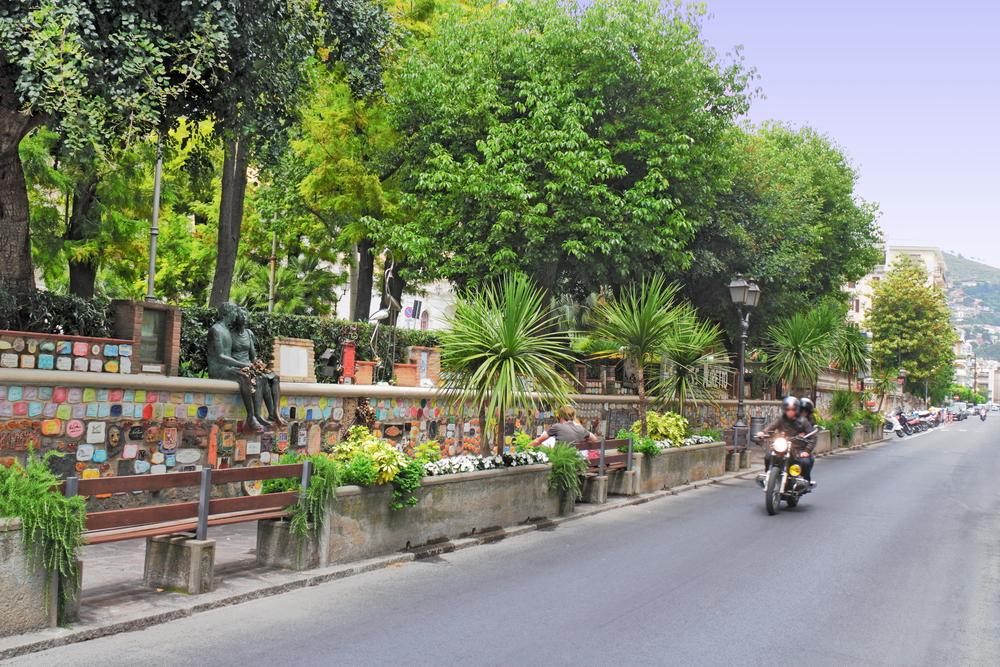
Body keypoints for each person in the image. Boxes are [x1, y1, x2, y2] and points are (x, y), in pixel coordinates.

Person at [207, 302, 285, 433]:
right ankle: (251, 416)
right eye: (234, 312)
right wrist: (245, 365)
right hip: (219, 368)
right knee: (244, 377)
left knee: (260, 377)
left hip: (229, 367)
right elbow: (220, 357)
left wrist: (254, 365)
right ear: (228, 313)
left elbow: (246, 354)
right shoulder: (216, 330)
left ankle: (264, 414)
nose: (236, 315)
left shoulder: (226, 329)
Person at [757, 396, 817, 482]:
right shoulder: (781, 419)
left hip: (797, 448)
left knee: (805, 462)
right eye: (788, 409)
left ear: (796, 410)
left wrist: (806, 451)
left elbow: (813, 436)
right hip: (783, 446)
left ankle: (805, 480)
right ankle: (769, 475)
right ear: (784, 409)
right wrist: (763, 432)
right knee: (768, 456)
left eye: (793, 409)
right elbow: (771, 427)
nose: (790, 412)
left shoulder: (803, 421)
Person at [528, 405, 599, 448]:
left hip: (559, 461)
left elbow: (538, 441)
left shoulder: (557, 427)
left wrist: (525, 447)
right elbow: (594, 439)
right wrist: (583, 438)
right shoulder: (581, 429)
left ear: (560, 415)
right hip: (574, 460)